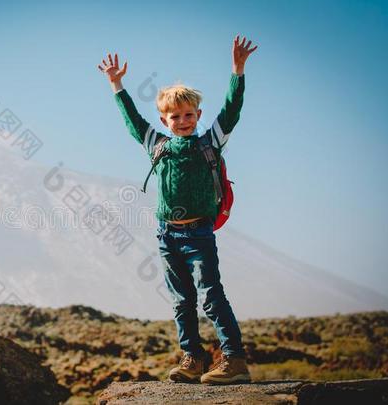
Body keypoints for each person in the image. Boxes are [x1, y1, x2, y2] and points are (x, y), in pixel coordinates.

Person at [98, 35, 257, 384]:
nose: (182, 120)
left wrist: (237, 70)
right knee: (181, 302)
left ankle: (233, 359)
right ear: (164, 118)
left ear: (198, 115)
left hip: (198, 233)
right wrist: (117, 85)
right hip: (166, 234)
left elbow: (232, 109)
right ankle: (193, 358)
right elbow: (133, 122)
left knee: (210, 295)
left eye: (188, 115)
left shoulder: (209, 142)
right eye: (174, 116)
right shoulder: (158, 145)